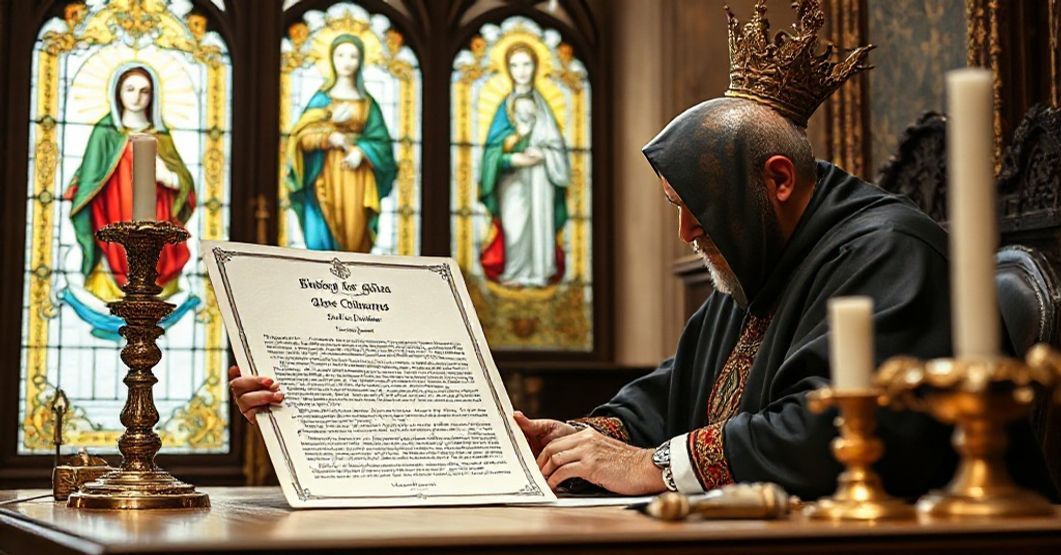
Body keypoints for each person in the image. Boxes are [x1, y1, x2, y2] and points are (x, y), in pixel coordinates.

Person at [64, 63, 195, 301]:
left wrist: (170, 177)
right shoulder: (104, 133)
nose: (136, 97)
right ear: (118, 92)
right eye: (130, 89)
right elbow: (90, 179)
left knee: (154, 261)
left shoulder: (162, 137)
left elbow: (184, 183)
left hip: (157, 215)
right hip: (112, 215)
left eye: (144, 91)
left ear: (152, 96)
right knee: (117, 254)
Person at [286, 34, 397, 252]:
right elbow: (300, 138)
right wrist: (327, 137)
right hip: (324, 176)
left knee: (356, 236)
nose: (347, 61)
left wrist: (362, 152)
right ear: (331, 59)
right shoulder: (320, 100)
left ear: (361, 61)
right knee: (322, 237)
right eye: (341, 55)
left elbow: (382, 144)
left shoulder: (368, 104)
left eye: (353, 56)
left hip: (358, 178)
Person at [478, 42, 570, 287]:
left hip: (541, 178)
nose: (521, 70)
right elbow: (491, 153)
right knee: (514, 225)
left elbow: (556, 146)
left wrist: (544, 155)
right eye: (515, 65)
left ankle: (539, 272)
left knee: (540, 224)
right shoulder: (503, 108)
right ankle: (514, 270)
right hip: (512, 180)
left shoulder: (543, 107)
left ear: (535, 66)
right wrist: (511, 158)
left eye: (526, 64)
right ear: (508, 68)